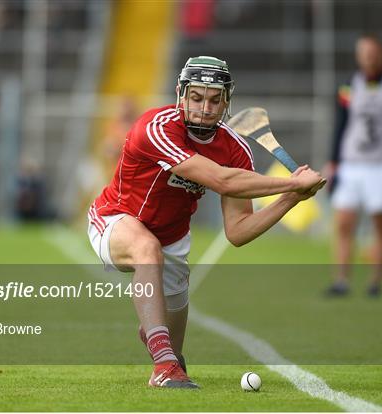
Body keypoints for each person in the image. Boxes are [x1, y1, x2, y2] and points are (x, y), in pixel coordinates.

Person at [87, 56, 323, 388]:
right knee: (146, 248)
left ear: (227, 102)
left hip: (173, 239)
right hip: (116, 219)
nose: (204, 108)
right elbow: (222, 181)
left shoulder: (236, 149)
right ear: (181, 94)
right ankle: (162, 365)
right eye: (196, 97)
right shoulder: (156, 128)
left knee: (176, 351)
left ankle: (161, 345)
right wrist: (291, 182)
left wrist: (291, 199)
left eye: (215, 100)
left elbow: (238, 231)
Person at [326, 35, 382, 297]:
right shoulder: (348, 86)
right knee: (343, 223)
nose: (369, 58)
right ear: (358, 56)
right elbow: (340, 125)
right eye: (364, 53)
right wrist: (333, 161)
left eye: (373, 53)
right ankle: (341, 281)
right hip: (350, 164)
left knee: (380, 225)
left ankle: (375, 283)